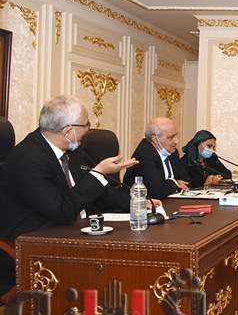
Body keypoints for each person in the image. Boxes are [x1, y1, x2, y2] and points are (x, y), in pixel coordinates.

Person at [0, 96, 139, 289]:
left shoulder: (71, 152)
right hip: (35, 242)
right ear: (68, 131)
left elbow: (96, 192)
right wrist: (98, 173)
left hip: (73, 231)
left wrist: (137, 202)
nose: (88, 129)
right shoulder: (27, 159)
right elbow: (63, 211)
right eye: (86, 124)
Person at [123, 117, 189, 199]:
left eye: (176, 135)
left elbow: (185, 182)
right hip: (139, 204)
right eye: (171, 137)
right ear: (155, 139)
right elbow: (156, 192)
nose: (176, 141)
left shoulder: (172, 152)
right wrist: (174, 182)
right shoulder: (145, 155)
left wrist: (172, 184)